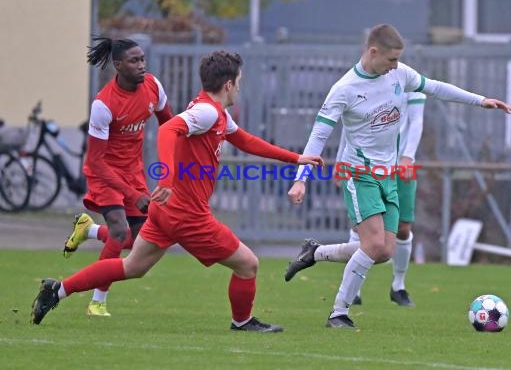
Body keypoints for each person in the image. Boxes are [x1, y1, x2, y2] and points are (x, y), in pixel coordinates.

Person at [31, 50, 324, 332]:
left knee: (132, 266)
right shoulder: (208, 112)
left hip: (166, 212)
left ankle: (57, 291)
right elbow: (168, 129)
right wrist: (168, 179)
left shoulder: (216, 113)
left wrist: (295, 158)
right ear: (229, 84)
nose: (239, 89)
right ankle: (242, 322)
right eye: (239, 82)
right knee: (248, 264)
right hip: (187, 215)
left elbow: (245, 140)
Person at [286, 24, 511, 329]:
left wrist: (480, 100)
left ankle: (316, 252)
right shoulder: (344, 89)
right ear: (373, 52)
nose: (396, 66)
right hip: (359, 174)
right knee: (373, 244)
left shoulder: (398, 74)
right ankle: (339, 312)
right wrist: (301, 178)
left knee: (383, 251)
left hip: (389, 176)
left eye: (397, 60)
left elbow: (434, 87)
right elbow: (318, 136)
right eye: (391, 60)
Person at [60, 36, 175, 317]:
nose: (141, 66)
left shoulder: (153, 86)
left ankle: (88, 230)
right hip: (105, 174)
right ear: (118, 65)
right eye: (134, 61)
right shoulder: (104, 104)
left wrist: (173, 165)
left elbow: (169, 125)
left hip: (133, 171)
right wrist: (134, 195)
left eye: (143, 59)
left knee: (138, 244)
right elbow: (96, 162)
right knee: (119, 231)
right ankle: (98, 301)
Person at [285, 92, 427, 308]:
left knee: (401, 230)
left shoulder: (411, 82)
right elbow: (350, 129)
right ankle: (349, 299)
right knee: (364, 232)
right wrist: (341, 161)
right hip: (366, 168)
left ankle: (398, 286)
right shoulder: (363, 86)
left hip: (400, 167)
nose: (392, 63)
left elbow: (416, 120)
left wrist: (408, 157)